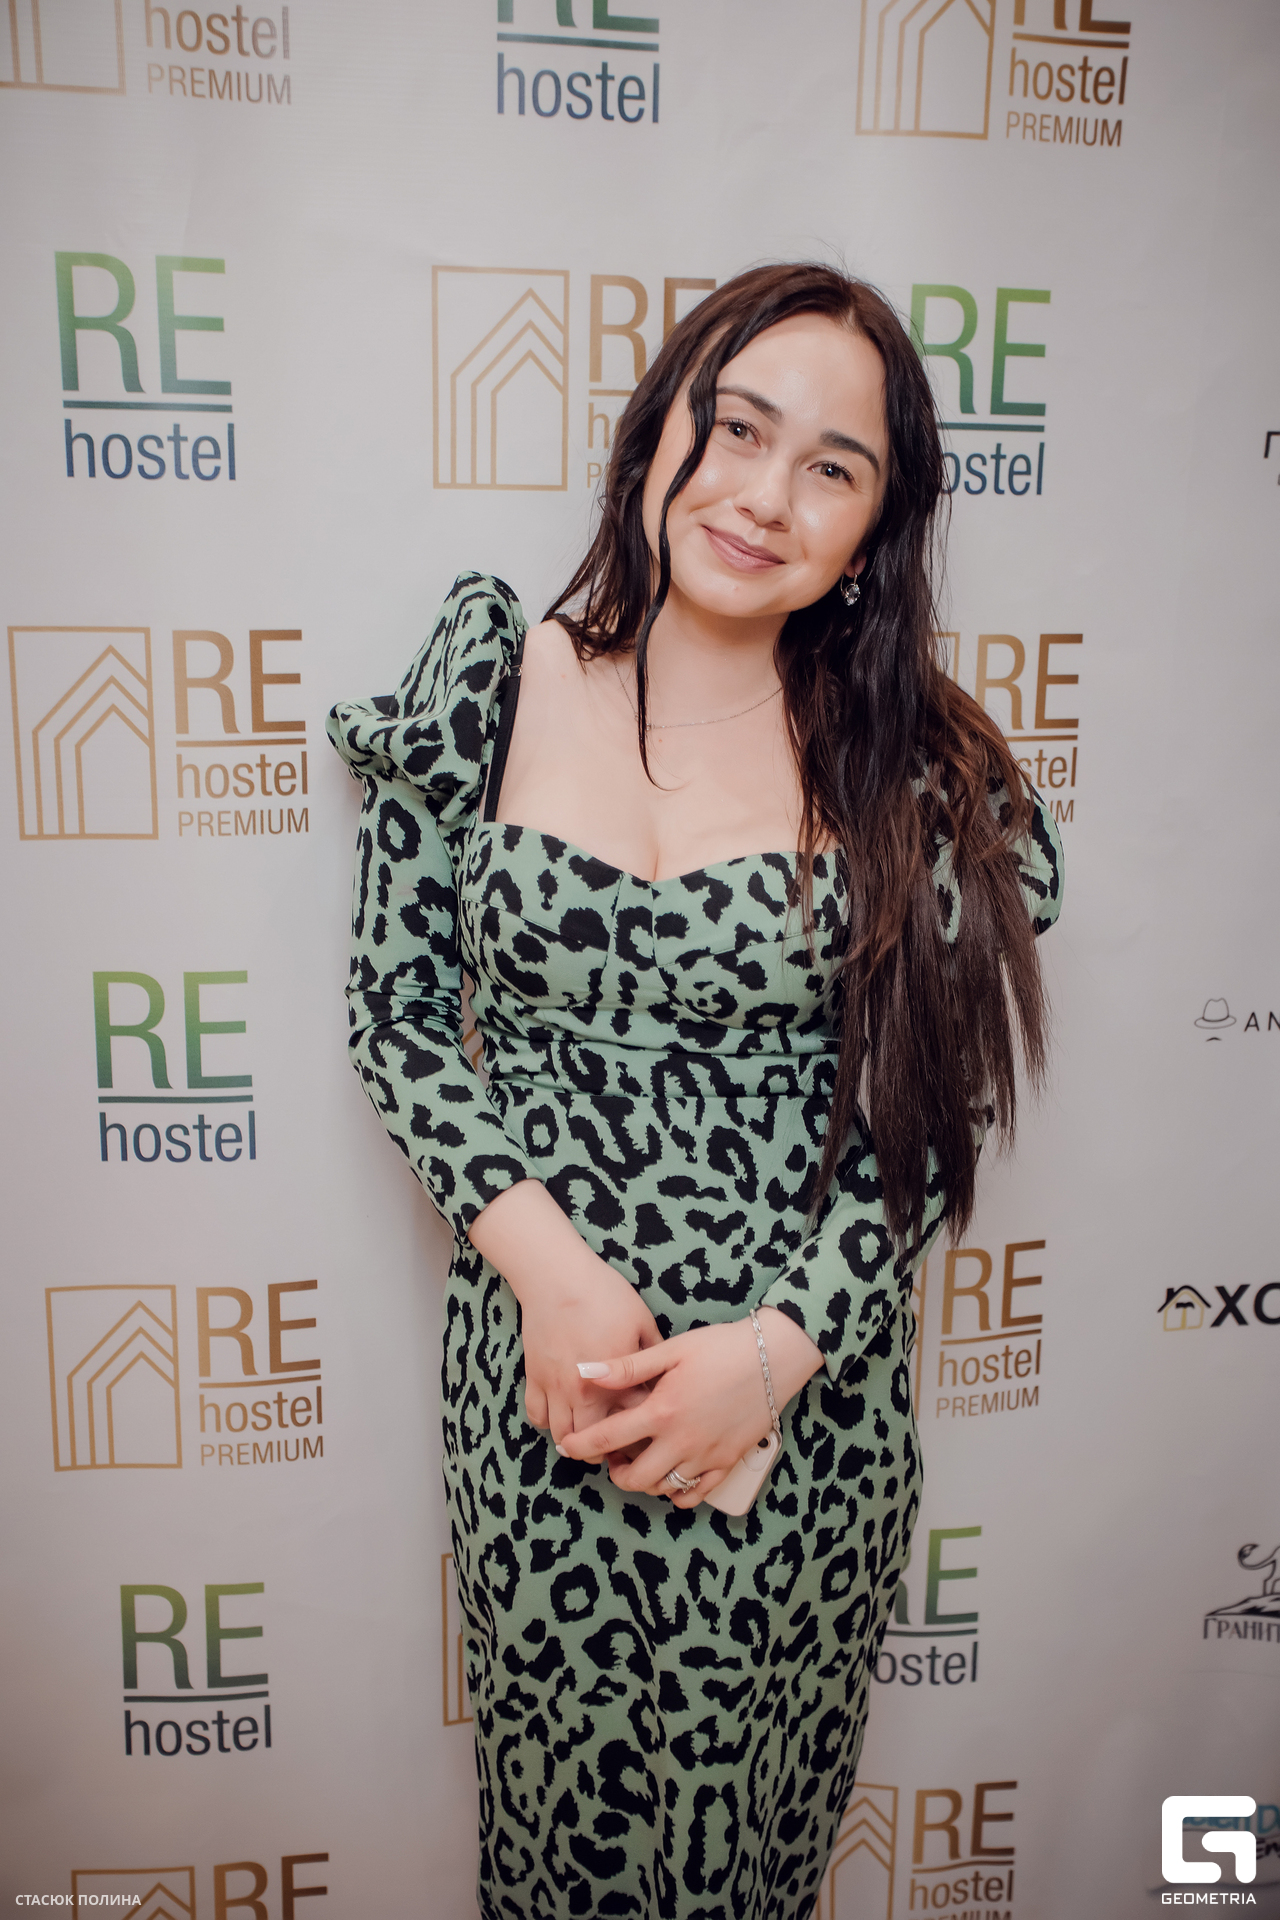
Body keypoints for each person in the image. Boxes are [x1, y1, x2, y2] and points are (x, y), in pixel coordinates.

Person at [327, 262, 1063, 1920]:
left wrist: (773, 1352)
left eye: (832, 467)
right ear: (661, 429)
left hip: (799, 1407)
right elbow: (396, 1016)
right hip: (555, 1395)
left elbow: (931, 1121)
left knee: (749, 1860)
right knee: (561, 1854)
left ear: (871, 538)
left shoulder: (912, 765)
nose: (763, 495)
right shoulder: (491, 672)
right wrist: (556, 1279)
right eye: (738, 428)